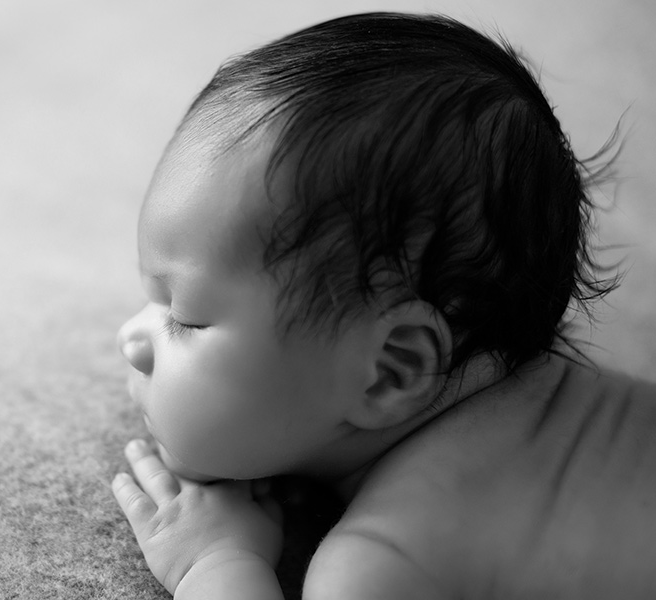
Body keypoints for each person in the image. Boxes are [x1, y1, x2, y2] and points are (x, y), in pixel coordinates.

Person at [111, 12, 656, 599]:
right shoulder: (590, 411)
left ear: (390, 371)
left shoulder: (383, 560)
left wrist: (215, 566)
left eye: (184, 318)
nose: (131, 339)